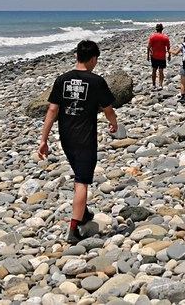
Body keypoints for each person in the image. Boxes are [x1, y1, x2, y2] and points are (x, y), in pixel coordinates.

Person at [38, 39, 118, 244]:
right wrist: (113, 123)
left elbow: (52, 110)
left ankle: (82, 213)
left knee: (78, 175)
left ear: (76, 57)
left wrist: (43, 140)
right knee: (83, 181)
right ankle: (73, 229)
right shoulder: (96, 81)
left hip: (66, 137)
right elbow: (108, 109)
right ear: (93, 59)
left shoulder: (62, 79)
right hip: (85, 138)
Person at [147, 23, 171, 90]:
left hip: (154, 56)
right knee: (161, 71)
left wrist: (148, 56)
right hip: (162, 57)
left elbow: (148, 47)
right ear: (162, 29)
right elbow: (168, 48)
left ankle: (154, 85)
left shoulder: (152, 37)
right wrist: (169, 56)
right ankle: (160, 85)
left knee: (154, 70)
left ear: (156, 29)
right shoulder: (165, 37)